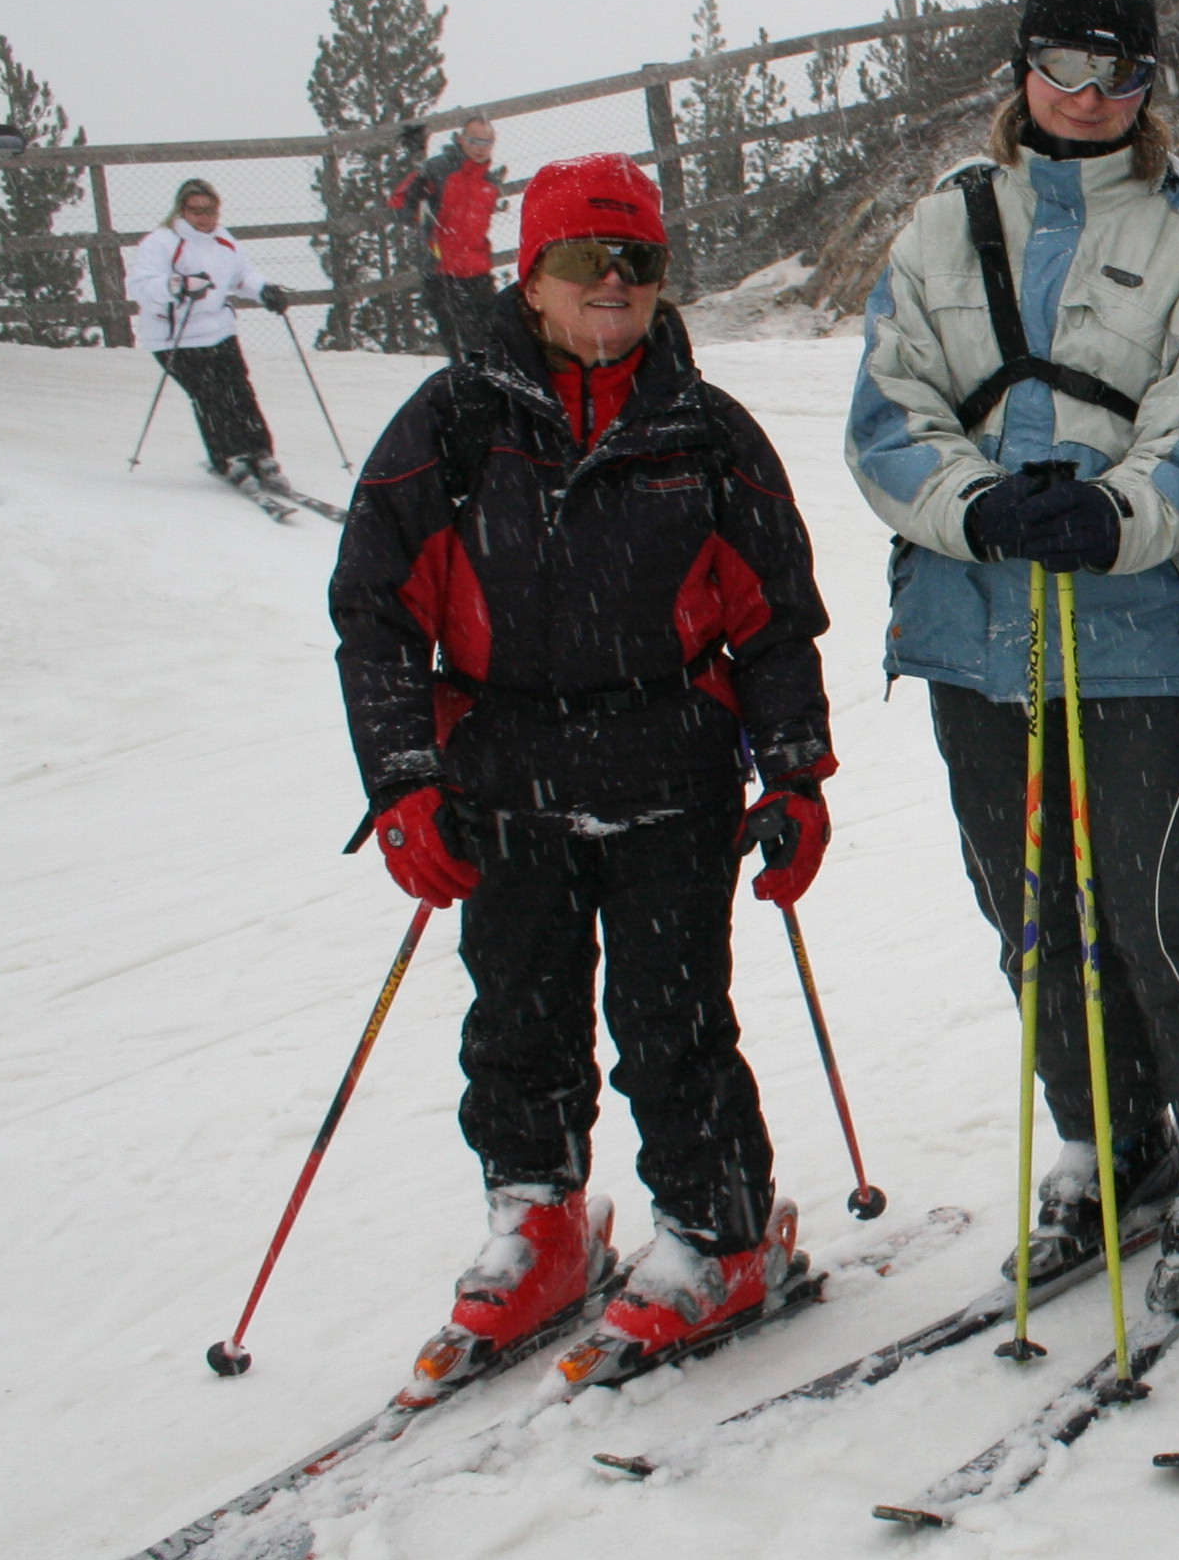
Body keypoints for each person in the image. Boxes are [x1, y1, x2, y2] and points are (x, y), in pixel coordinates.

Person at [329, 153, 837, 1385]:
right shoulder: (450, 425)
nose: (611, 283)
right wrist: (402, 781)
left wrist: (796, 774)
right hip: (503, 784)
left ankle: (723, 1235)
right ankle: (541, 1222)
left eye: (637, 260)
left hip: (671, 778)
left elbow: (775, 620)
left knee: (672, 1025)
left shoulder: (706, 432)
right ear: (530, 276)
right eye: (580, 259)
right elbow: (376, 611)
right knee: (519, 1017)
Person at [847, 0, 1179, 1317]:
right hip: (975, 627)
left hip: (1139, 630)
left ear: (1149, 82)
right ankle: (1110, 1134)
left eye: (1117, 69)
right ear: (1021, 66)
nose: (1087, 94)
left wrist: (1113, 515)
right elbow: (886, 415)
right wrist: (977, 506)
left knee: (1159, 902)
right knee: (1031, 909)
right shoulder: (943, 224)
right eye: (1061, 62)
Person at [125, 176, 297, 507]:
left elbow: (242, 276)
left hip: (218, 329)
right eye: (196, 211)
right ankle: (228, 457)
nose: (204, 218)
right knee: (210, 395)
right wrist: (177, 286)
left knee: (239, 390)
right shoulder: (161, 242)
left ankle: (259, 452)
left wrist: (264, 290)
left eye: (210, 211)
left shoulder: (223, 240)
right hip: (175, 337)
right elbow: (142, 287)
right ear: (182, 211)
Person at [388, 114, 511, 364]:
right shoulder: (438, 170)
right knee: (462, 350)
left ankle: (486, 383)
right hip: (442, 272)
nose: (480, 148)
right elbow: (399, 205)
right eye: (474, 141)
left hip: (478, 272)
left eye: (486, 142)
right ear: (461, 139)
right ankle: (465, 382)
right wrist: (415, 201)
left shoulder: (488, 183)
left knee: (492, 343)